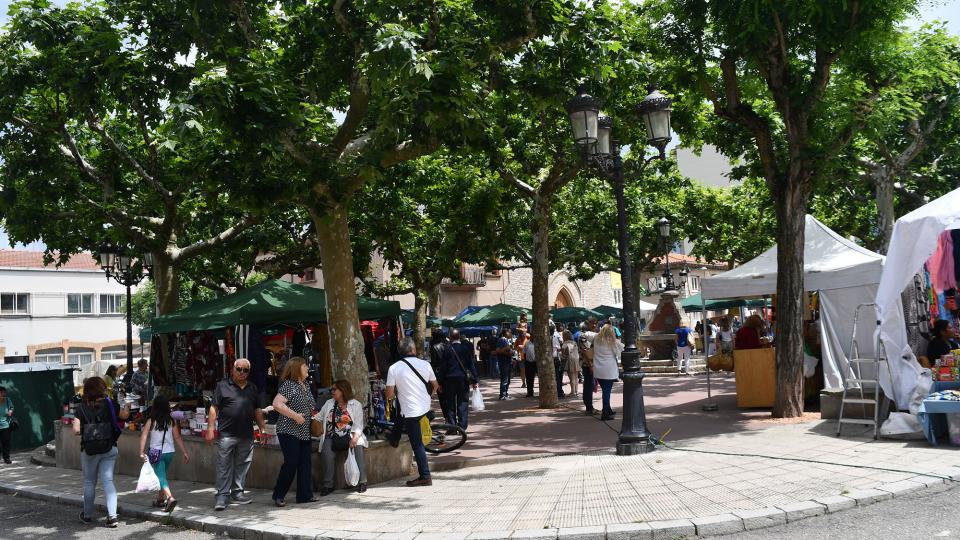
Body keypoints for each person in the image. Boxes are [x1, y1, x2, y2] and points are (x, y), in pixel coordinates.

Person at [207, 358, 266, 511]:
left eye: (245, 370)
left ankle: (237, 493)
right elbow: (214, 407)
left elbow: (257, 410)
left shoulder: (252, 387)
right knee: (223, 466)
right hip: (227, 434)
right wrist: (210, 428)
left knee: (242, 465)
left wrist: (263, 428)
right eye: (239, 369)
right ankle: (221, 496)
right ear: (233, 370)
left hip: (246, 434)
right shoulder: (222, 386)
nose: (241, 372)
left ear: (248, 372)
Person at [73, 376, 130, 527]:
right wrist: (127, 406)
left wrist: (89, 431)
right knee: (108, 481)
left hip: (89, 450)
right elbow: (124, 416)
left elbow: (76, 430)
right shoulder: (110, 404)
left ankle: (87, 516)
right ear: (102, 389)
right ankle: (112, 517)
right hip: (109, 447)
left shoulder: (81, 408)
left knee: (89, 482)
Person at [386, 337, 438, 487]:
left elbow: (389, 395)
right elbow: (435, 385)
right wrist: (428, 396)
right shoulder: (425, 364)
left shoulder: (394, 368)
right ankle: (395, 438)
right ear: (413, 349)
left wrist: (398, 391)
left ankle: (425, 476)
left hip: (410, 412)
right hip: (425, 408)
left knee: (418, 445)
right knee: (404, 420)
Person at [271, 357, 318, 506]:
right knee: (291, 463)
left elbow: (310, 406)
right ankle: (278, 495)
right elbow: (277, 404)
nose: (307, 368)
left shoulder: (306, 385)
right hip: (288, 430)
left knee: (305, 463)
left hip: (304, 431)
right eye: (305, 366)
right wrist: (296, 416)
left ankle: (304, 495)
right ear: (297, 368)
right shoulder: (289, 385)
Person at [138, 396, 190, 513]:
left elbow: (144, 435)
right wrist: (185, 452)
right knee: (162, 475)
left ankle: (170, 498)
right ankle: (160, 499)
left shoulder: (151, 420)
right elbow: (177, 437)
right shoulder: (171, 420)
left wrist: (141, 451)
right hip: (169, 452)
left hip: (156, 453)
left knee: (160, 476)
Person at [317, 379, 368, 496]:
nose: (332, 392)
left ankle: (362, 482)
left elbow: (359, 424)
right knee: (326, 453)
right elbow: (319, 417)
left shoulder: (355, 404)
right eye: (331, 389)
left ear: (343, 390)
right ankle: (328, 485)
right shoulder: (329, 403)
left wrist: (355, 438)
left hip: (350, 435)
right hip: (332, 436)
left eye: (334, 389)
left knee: (358, 446)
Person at [442, 330, 479, 429]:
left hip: (449, 380)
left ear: (450, 337)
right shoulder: (465, 348)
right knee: (463, 402)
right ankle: (462, 426)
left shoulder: (447, 349)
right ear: (459, 337)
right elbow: (471, 365)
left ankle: (452, 426)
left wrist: (441, 381)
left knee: (450, 403)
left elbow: (443, 367)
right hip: (463, 379)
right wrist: (475, 380)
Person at [592, 324, 623, 420]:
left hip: (598, 369)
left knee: (605, 390)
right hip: (608, 370)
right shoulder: (612, 341)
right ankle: (605, 413)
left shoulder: (596, 339)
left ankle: (608, 409)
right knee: (606, 392)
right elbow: (619, 352)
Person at [578, 319, 599, 415]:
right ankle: (589, 408)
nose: (594, 325)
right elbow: (586, 351)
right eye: (592, 323)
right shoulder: (584, 335)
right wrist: (591, 365)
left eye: (595, 323)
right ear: (587, 324)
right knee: (588, 385)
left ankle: (589, 407)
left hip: (592, 363)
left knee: (590, 385)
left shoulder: (592, 334)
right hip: (588, 364)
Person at [560, 330, 580, 397]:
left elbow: (564, 354)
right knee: (576, 377)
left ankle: (573, 392)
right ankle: (576, 391)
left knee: (571, 377)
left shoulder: (565, 343)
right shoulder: (574, 342)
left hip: (570, 360)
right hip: (576, 360)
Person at [495, 329, 514, 400]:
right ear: (506, 333)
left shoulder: (506, 340)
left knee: (507, 379)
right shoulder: (502, 340)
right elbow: (497, 351)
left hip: (508, 362)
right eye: (510, 332)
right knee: (505, 379)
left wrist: (510, 352)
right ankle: (502, 395)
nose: (511, 333)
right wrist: (507, 350)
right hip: (504, 362)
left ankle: (505, 393)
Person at [0, 387, 14, 464]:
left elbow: (11, 407)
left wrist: (10, 411)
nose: (3, 394)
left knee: (6, 443)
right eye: (1, 392)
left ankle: (6, 458)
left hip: (5, 425)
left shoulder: (7, 400)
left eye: (4, 392)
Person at [552, 323, 566, 398]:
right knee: (558, 376)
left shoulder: (551, 335)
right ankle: (559, 392)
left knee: (557, 376)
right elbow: (561, 342)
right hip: (555, 358)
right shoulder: (556, 334)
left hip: (553, 358)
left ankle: (558, 391)